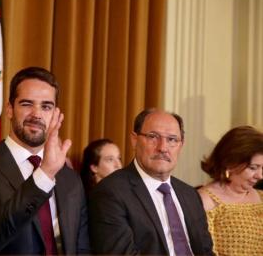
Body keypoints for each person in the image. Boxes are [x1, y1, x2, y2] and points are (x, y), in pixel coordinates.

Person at [0, 67, 90, 255]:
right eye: (27, 104)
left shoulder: (71, 179)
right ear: (10, 109)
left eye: (46, 106)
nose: (36, 114)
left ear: (55, 114)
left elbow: (81, 248)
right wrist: (44, 175)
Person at [89, 108, 214, 255]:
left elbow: (206, 252)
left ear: (181, 146)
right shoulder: (110, 193)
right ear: (134, 140)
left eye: (172, 139)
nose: (162, 148)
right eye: (153, 137)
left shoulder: (190, 195)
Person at [198, 126, 263, 255]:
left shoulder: (261, 197)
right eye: (253, 168)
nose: (260, 176)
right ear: (230, 163)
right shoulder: (205, 200)